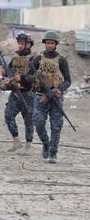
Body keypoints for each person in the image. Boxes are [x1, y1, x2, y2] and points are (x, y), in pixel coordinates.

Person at [27, 30, 71, 164]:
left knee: (56, 125)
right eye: (48, 43)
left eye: (52, 43)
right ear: (45, 44)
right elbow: (28, 77)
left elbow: (68, 80)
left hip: (56, 97)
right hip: (40, 96)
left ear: (56, 44)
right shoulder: (37, 59)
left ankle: (53, 152)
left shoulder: (62, 60)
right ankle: (46, 143)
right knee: (38, 122)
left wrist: (60, 89)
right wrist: (36, 78)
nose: (50, 45)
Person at [0, 32, 35, 155]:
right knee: (8, 116)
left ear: (28, 45)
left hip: (28, 94)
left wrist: (23, 79)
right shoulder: (15, 59)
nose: (19, 46)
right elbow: (9, 74)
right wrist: (4, 74)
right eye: (18, 43)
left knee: (29, 120)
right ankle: (16, 141)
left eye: (22, 43)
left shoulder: (34, 59)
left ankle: (29, 145)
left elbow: (35, 77)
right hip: (15, 94)